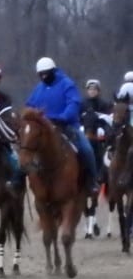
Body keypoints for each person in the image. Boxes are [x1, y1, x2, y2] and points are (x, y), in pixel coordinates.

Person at [25, 57, 98, 193]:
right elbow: (29, 105)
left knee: (86, 148)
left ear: (53, 71)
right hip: (44, 128)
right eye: (40, 74)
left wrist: (62, 117)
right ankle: (18, 181)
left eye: (46, 73)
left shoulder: (67, 84)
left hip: (66, 126)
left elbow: (73, 103)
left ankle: (92, 181)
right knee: (25, 149)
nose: (43, 77)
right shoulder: (39, 88)